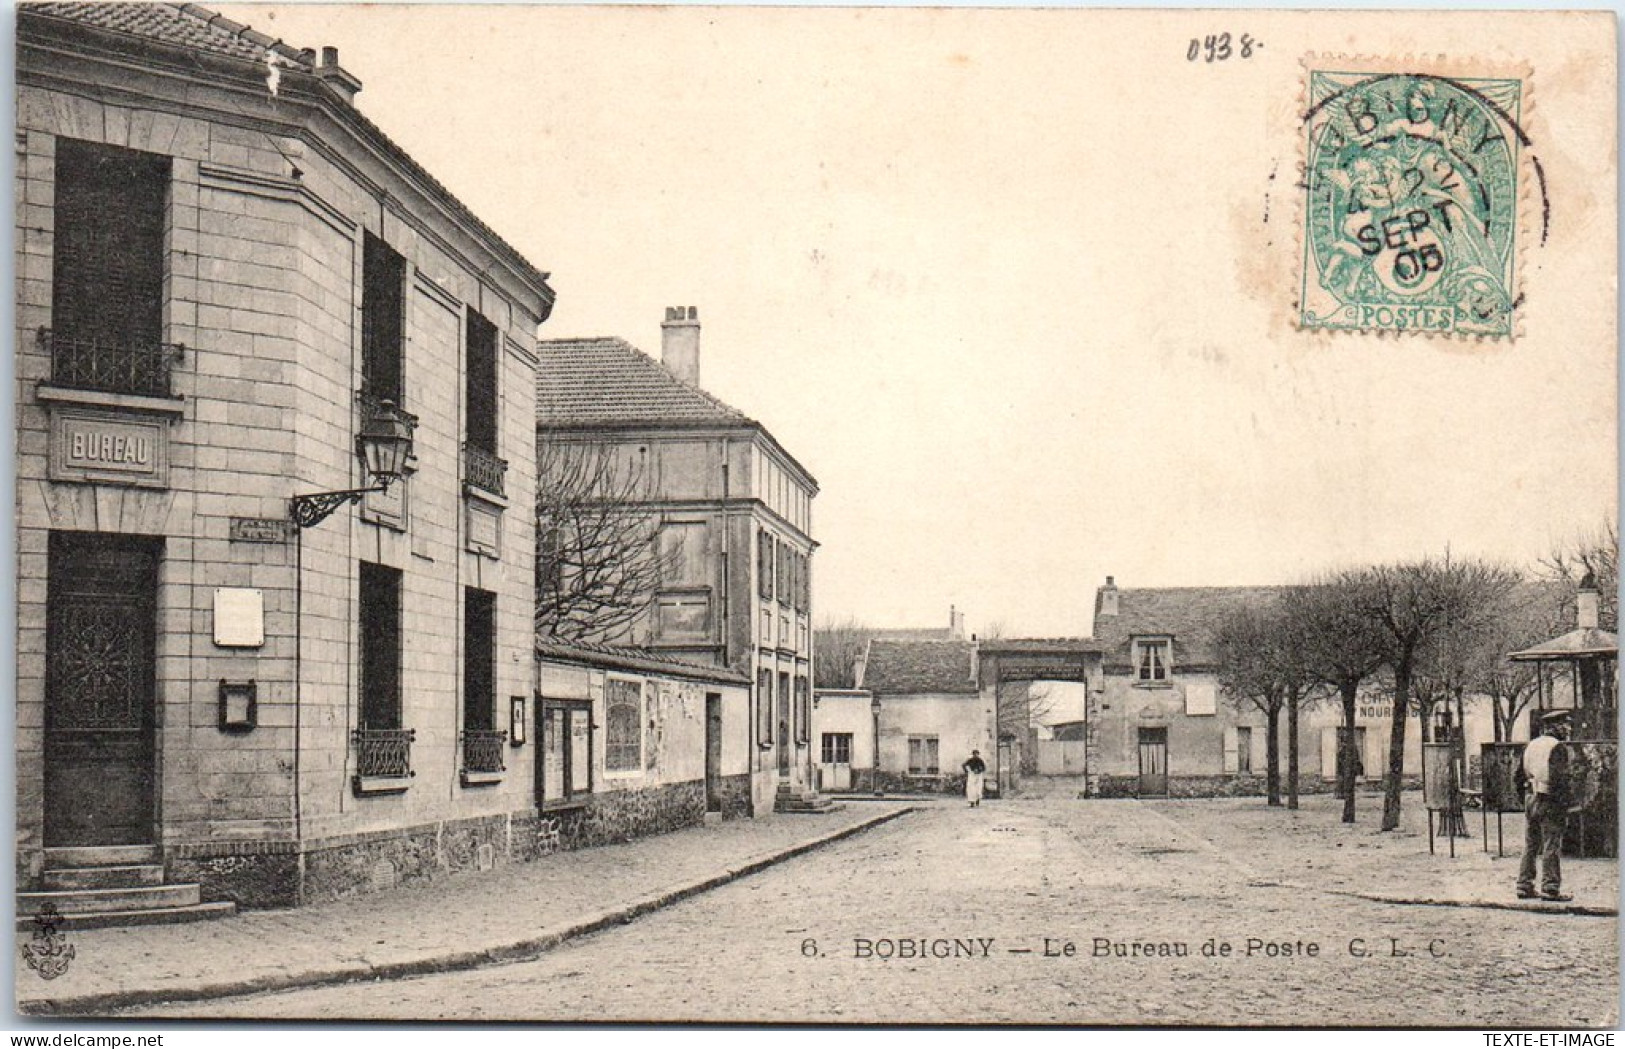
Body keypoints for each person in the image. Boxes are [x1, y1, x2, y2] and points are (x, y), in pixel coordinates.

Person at [1516, 709, 1574, 902]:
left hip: (1530, 798)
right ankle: (1550, 887)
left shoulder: (1531, 745)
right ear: (1555, 726)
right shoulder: (1558, 747)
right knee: (1551, 844)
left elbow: (1517, 775)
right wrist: (1564, 805)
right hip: (1550, 799)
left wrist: (1523, 798)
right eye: (1565, 724)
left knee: (1531, 844)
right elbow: (1560, 778)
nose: (1568, 728)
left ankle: (1524, 885)